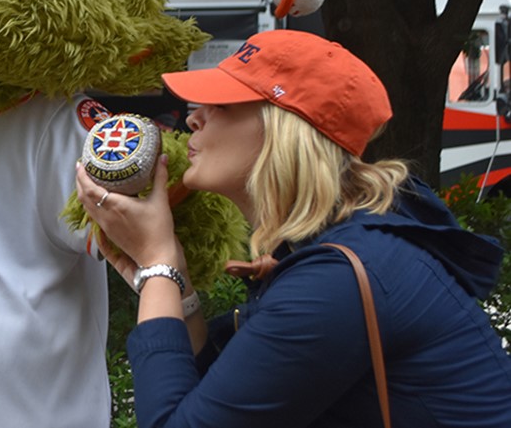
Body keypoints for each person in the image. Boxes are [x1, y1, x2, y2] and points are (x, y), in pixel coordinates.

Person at [77, 29, 511, 427]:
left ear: (284, 132)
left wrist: (157, 265)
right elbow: (218, 394)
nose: (194, 118)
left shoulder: (336, 280)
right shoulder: (349, 245)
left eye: (222, 105)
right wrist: (178, 289)